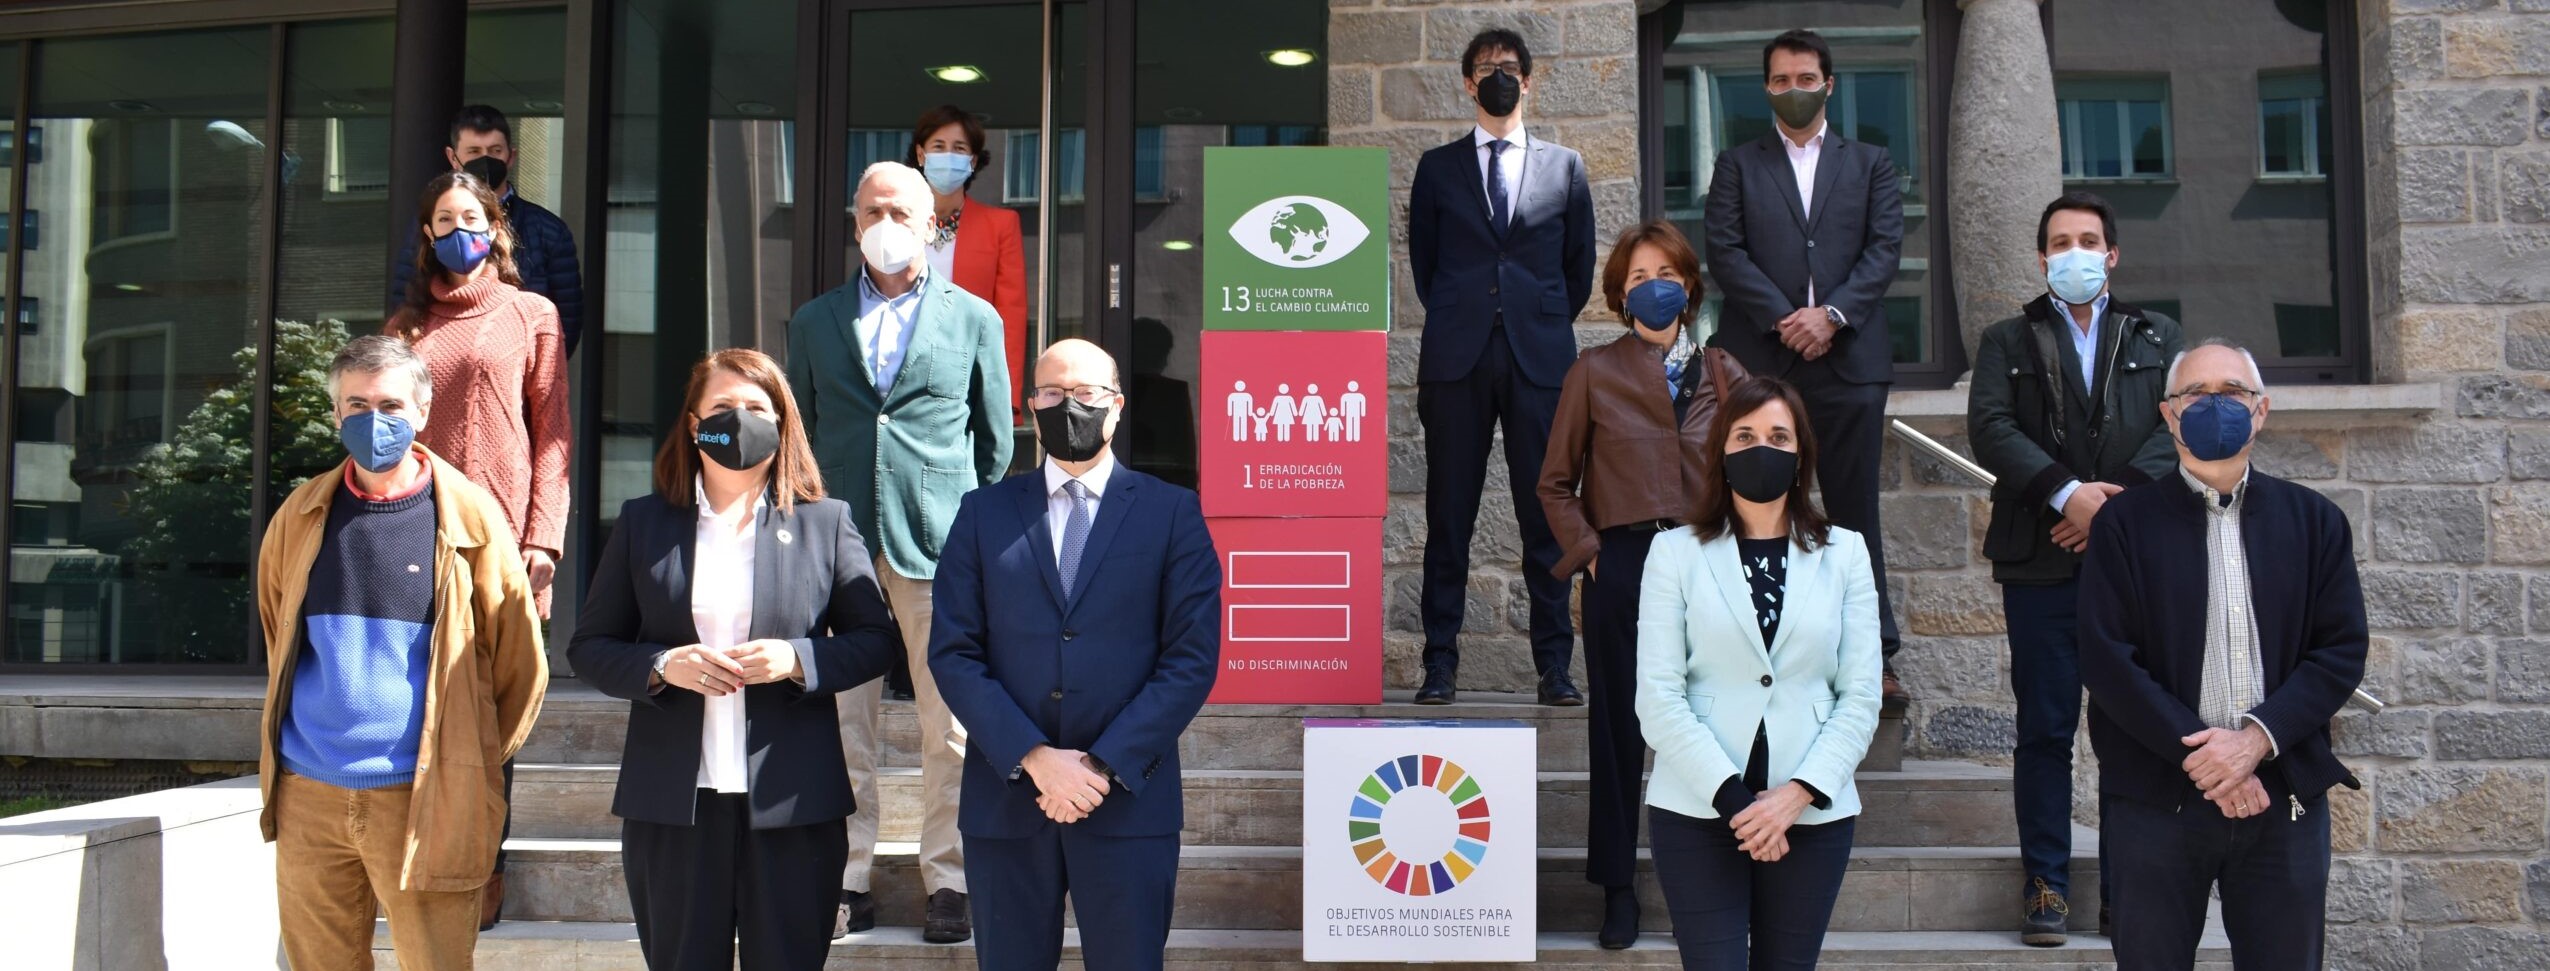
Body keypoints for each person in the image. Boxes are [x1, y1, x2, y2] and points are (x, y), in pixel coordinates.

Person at [568, 349, 903, 971]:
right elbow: (589, 647)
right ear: (694, 424)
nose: (740, 418)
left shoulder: (825, 523)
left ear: (781, 423)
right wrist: (661, 666)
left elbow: (877, 641)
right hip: (674, 806)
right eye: (723, 406)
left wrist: (796, 658)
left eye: (756, 407)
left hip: (793, 804)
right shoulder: (644, 523)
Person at [928, 338, 1222, 971]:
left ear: (1116, 405)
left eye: (1085, 392)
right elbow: (954, 653)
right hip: (1009, 802)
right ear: (1031, 406)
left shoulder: (1172, 513)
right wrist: (1036, 758)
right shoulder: (982, 513)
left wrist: (1099, 767)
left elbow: (1190, 659)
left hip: (1127, 802)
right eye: (1052, 393)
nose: (1069, 405)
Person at [256, 335, 546, 971]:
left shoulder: (472, 519)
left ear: (421, 410)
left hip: (424, 797)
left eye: (389, 405)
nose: (373, 420)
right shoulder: (301, 514)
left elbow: (518, 665)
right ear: (336, 414)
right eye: (356, 405)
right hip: (308, 794)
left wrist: (463, 756)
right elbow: (279, 625)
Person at [2080, 339, 2365, 971]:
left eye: (2233, 392)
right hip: (2157, 801)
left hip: (2282, 799)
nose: (2216, 405)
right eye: (2195, 394)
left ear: (2261, 410)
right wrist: (2208, 759)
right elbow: (2106, 658)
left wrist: (2255, 742)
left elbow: (2340, 652)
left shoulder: (2316, 522)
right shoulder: (2123, 525)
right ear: (2169, 414)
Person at [785, 160, 1013, 944]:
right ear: (855, 223)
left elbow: (995, 444)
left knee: (949, 726)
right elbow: (800, 433)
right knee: (843, 723)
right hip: (838, 550)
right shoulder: (813, 321)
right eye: (873, 210)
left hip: (939, 548)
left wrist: (966, 527)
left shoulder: (975, 318)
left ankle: (948, 878)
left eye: (902, 211)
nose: (886, 223)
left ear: (932, 225)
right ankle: (847, 877)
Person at [1967, 191, 2185, 946]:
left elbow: (2176, 422)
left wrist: (2109, 509)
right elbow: (1991, 426)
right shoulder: (2005, 339)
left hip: (2131, 566)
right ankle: (2046, 886)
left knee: (2131, 730)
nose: (2075, 253)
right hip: (2039, 562)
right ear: (2042, 258)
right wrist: (2068, 494)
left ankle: (2128, 891)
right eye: (2060, 242)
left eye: (2088, 240)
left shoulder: (2158, 335)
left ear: (2112, 254)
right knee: (2045, 729)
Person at [1537, 219, 1747, 949]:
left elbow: (1755, 468)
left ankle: (1718, 879)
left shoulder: (1725, 372)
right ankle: (1617, 888)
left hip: (1708, 561)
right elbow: (1554, 483)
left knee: (1715, 722)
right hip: (1624, 563)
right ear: (1619, 297)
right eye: (1636, 278)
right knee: (1618, 730)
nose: (1653, 287)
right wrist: (1592, 554)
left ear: (1689, 286)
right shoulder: (1593, 371)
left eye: (1665, 274)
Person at [1635, 374, 1882, 970]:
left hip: (1810, 811)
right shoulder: (1674, 553)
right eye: (1744, 436)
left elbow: (1860, 694)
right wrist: (1738, 803)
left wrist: (1793, 798)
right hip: (1697, 809)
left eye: (1778, 436)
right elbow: (1659, 696)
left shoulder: (1846, 552)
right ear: (1721, 451)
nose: (1761, 448)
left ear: (1800, 456)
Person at [1701, 28, 1908, 708]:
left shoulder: (1871, 162)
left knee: (1854, 515)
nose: (1795, 90)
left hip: (1850, 362)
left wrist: (1832, 316)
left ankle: (1873, 657)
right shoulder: (1737, 164)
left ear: (1829, 85)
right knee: (1757, 507)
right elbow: (1725, 251)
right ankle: (1755, 652)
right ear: (1767, 88)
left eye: (1807, 79)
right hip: (1764, 363)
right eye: (1782, 80)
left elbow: (1884, 249)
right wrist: (1788, 318)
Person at [388, 167, 571, 929]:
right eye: (444, 220)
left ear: (496, 228)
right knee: (418, 705)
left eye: (471, 217)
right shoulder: (404, 328)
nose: (458, 230)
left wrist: (544, 539)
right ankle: (414, 856)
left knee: (493, 715)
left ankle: (483, 865)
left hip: (500, 543)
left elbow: (553, 435)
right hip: (415, 537)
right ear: (427, 235)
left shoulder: (532, 313)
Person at [1406, 27, 1596, 706]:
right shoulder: (1437, 167)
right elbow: (1425, 265)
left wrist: (1532, 315)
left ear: (1529, 80)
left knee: (1545, 514)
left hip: (1538, 359)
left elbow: (1578, 271)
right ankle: (1439, 663)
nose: (1498, 76)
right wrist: (1468, 310)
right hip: (1457, 357)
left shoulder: (1565, 167)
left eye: (1509, 67)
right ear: (1467, 82)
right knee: (1448, 515)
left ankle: (1554, 666)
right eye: (1486, 67)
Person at [390, 104, 587, 356]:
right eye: (474, 151)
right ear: (453, 158)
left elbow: (566, 322)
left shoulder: (549, 231)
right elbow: (405, 302)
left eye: (495, 151)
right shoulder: (432, 227)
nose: (485, 160)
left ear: (511, 156)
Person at [910, 104, 1029, 422]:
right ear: (921, 154)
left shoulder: (1000, 225)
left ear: (973, 160)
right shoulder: (896, 222)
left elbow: (1010, 317)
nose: (948, 155)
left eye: (959, 148)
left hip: (967, 379)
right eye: (938, 146)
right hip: (904, 376)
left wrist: (1006, 398)